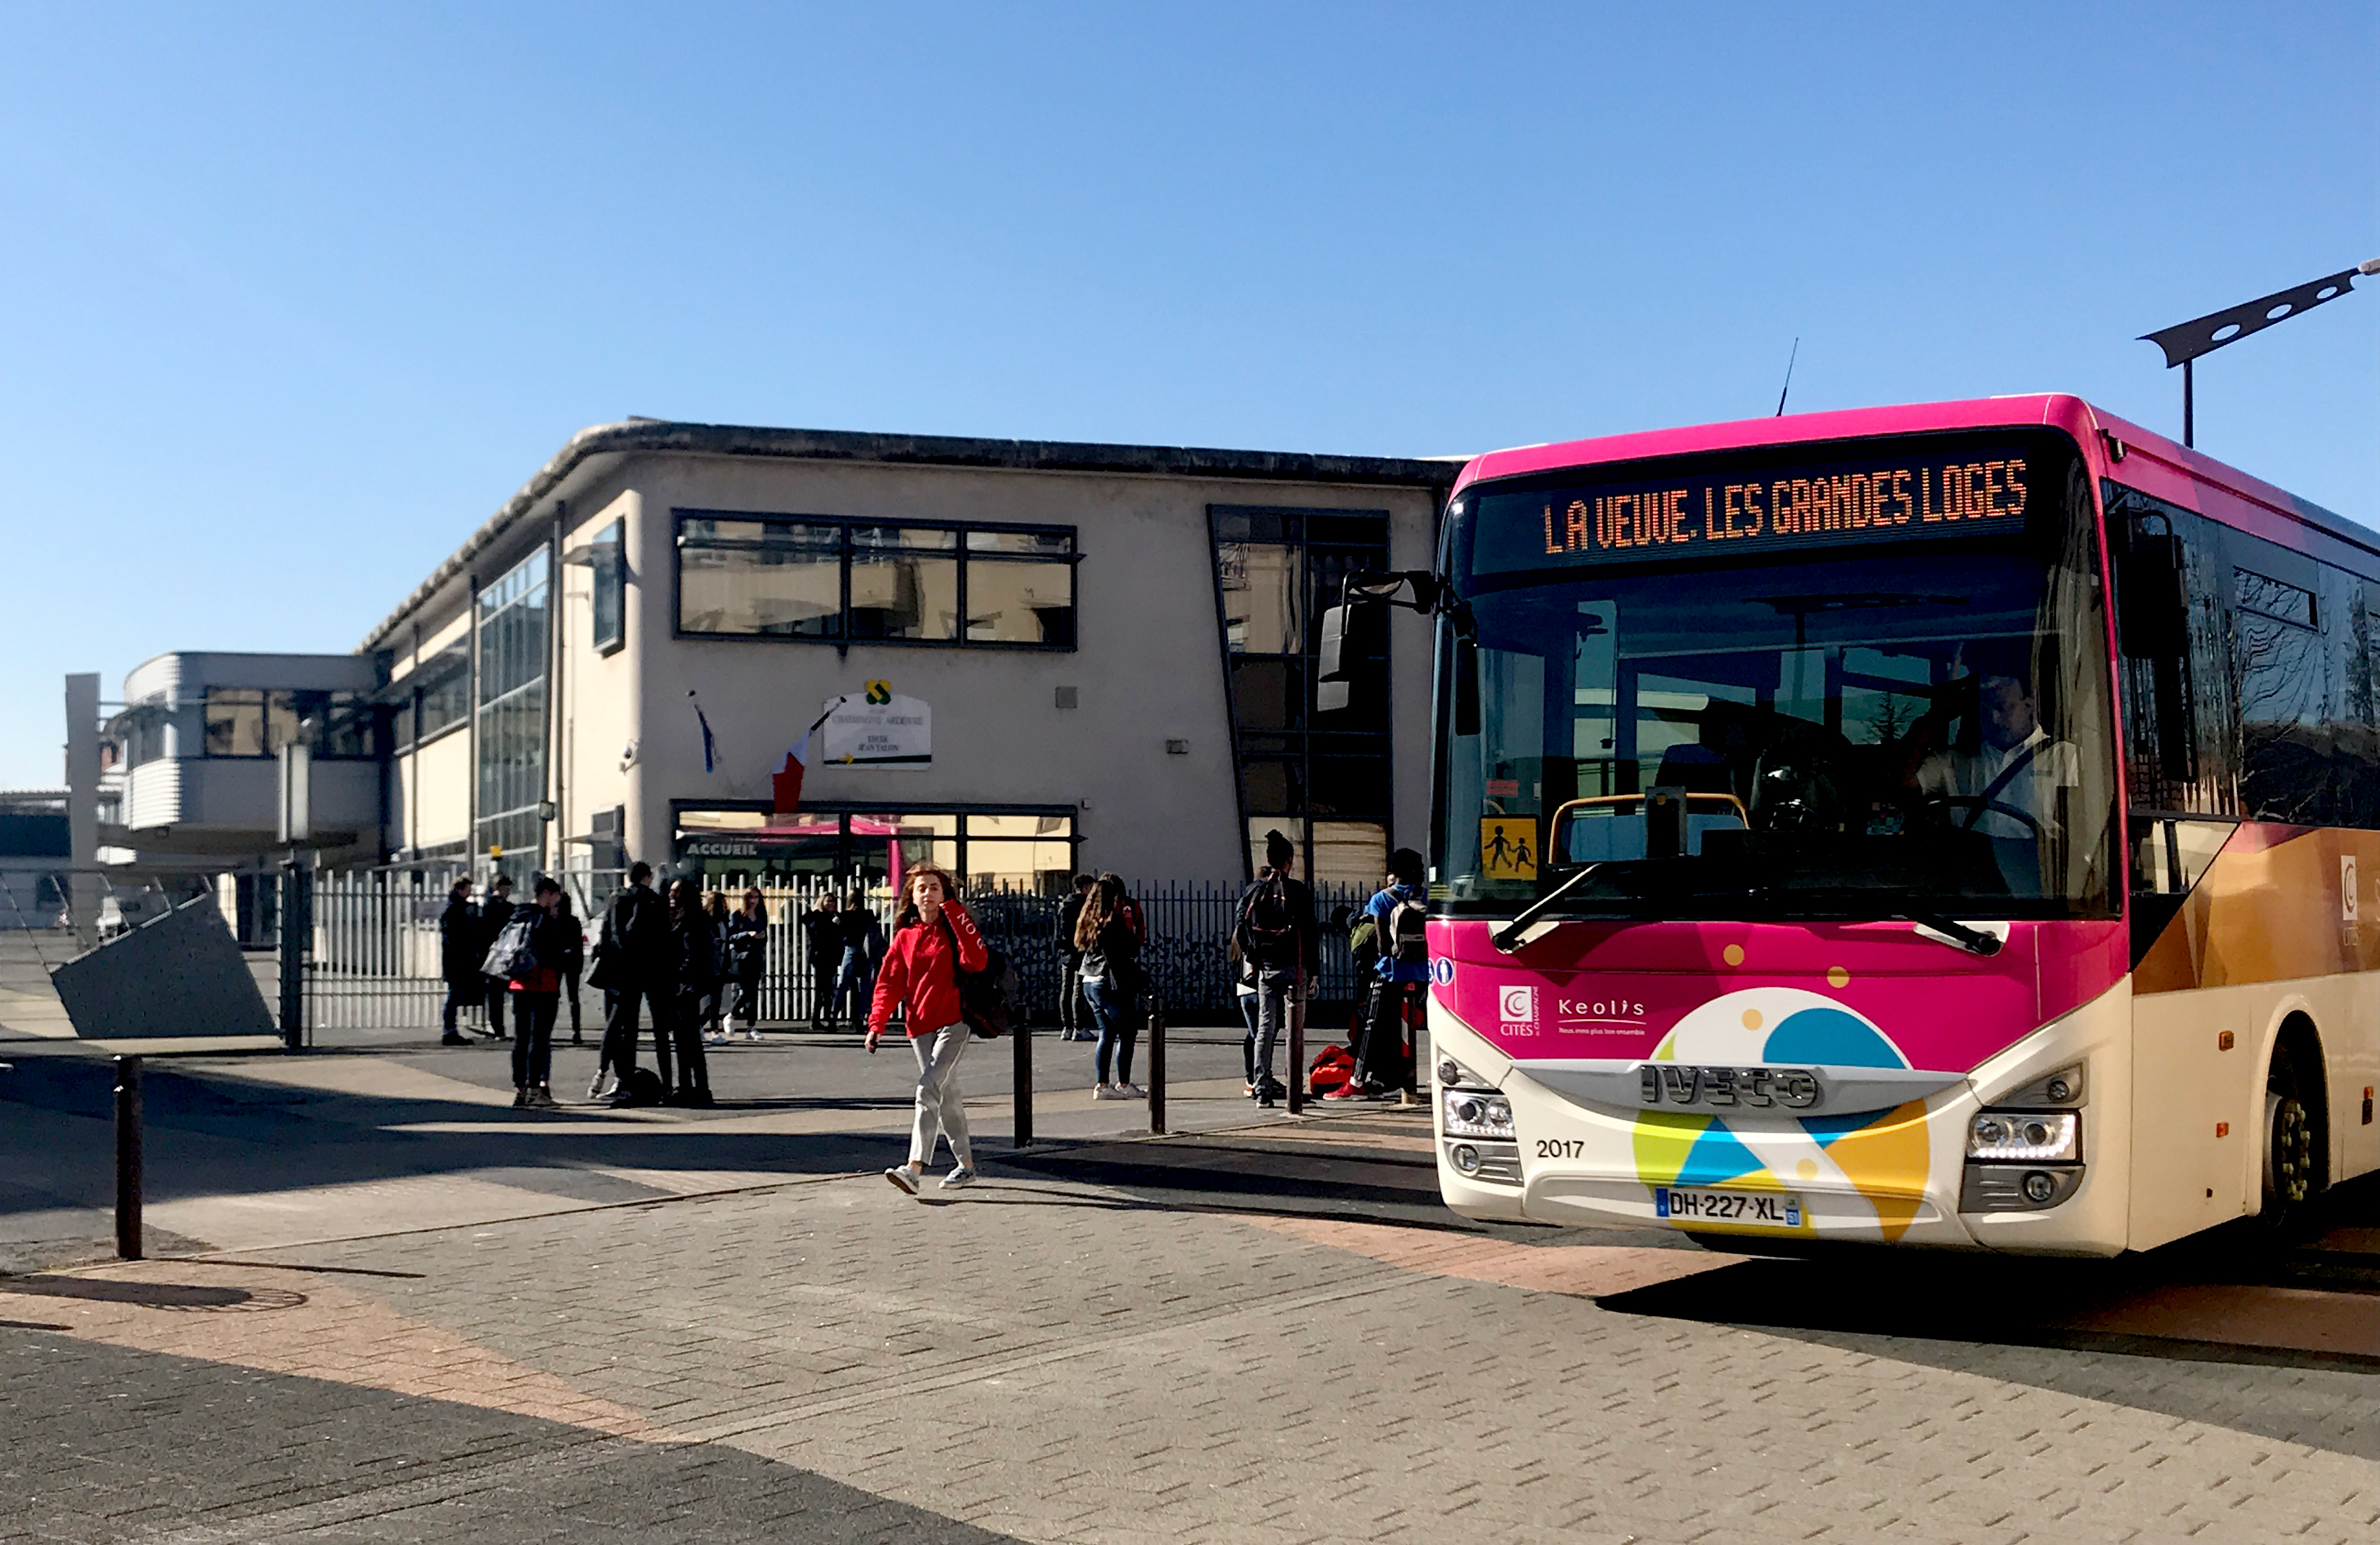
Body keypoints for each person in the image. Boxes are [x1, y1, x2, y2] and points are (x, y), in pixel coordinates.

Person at [867, 863, 987, 1194]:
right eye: (922, 888)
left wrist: (954, 911)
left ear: (944, 893)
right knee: (946, 1094)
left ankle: (914, 1167)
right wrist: (876, 1023)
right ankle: (967, 1166)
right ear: (912, 896)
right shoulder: (905, 936)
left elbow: (976, 961)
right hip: (920, 1025)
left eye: (935, 887)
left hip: (955, 1022)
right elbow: (889, 982)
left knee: (927, 1089)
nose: (928, 894)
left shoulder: (955, 927)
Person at [1914, 671, 2081, 844]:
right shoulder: (1954, 760)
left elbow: (2083, 832)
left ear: (2029, 705)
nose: (1993, 719)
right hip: (1965, 865)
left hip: (2037, 866)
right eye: (1985, 709)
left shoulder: (2066, 758)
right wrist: (1936, 716)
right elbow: (1898, 781)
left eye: (2002, 707)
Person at [1332, 847, 1429, 1102]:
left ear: (1393, 871)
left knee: (1372, 1026)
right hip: (1421, 973)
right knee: (1404, 1029)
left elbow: (1383, 946)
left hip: (1391, 972)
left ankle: (1357, 1081)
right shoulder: (1427, 898)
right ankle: (1396, 1080)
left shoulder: (1382, 899)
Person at [1233, 829, 1316, 1107]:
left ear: (1268, 859)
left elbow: (1241, 928)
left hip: (1266, 969)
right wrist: (1313, 970)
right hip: (1296, 967)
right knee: (1295, 1029)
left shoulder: (1254, 890)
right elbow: (1311, 932)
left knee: (1265, 1028)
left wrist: (1254, 956)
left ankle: (1262, 1088)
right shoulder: (1298, 891)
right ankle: (1294, 1087)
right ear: (1290, 860)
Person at [593, 862, 670, 1103]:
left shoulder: (618, 898)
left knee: (624, 1028)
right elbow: (664, 936)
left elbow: (609, 932)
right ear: (648, 877)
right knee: (660, 1030)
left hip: (623, 969)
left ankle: (619, 1078)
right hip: (652, 969)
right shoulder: (655, 900)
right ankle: (667, 1084)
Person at [504, 876, 575, 1108]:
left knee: (521, 1038)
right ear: (547, 894)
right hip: (543, 984)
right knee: (539, 1039)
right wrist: (564, 954)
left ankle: (520, 1089)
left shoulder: (518, 915)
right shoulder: (543, 919)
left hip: (519, 983)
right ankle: (536, 1090)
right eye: (555, 896)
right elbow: (551, 954)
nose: (557, 900)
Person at [1075, 873, 1145, 1100]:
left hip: (1089, 979)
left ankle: (1102, 1084)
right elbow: (1132, 948)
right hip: (1109, 982)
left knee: (1106, 1032)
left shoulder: (1086, 921)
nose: (1118, 902)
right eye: (1115, 899)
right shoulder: (1112, 922)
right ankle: (1123, 1083)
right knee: (1128, 1031)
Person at [665, 878, 717, 1106]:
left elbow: (692, 954)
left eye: (676, 891)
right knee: (685, 1038)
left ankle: (695, 1087)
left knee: (688, 1039)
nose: (672, 894)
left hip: (687, 985)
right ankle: (691, 1086)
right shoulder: (685, 917)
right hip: (688, 984)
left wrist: (679, 978)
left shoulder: (692, 919)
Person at [832, 892, 886, 1033]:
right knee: (865, 988)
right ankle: (861, 1019)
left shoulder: (844, 915)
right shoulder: (868, 914)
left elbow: (839, 934)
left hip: (851, 950)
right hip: (866, 952)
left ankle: (833, 1017)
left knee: (843, 985)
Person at [436, 878, 480, 1046]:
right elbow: (453, 937)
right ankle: (449, 1031)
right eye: (468, 888)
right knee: (454, 995)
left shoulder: (459, 908)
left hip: (458, 959)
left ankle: (451, 1030)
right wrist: (464, 952)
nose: (470, 892)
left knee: (456, 995)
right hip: (456, 961)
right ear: (460, 889)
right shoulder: (454, 910)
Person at [722, 888, 768, 1042]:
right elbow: (731, 936)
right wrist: (748, 934)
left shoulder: (762, 916)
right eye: (750, 898)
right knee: (747, 990)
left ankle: (751, 1027)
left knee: (753, 992)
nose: (753, 901)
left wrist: (762, 937)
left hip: (756, 956)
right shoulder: (738, 916)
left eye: (756, 897)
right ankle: (732, 1015)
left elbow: (764, 937)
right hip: (742, 958)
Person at [1054, 873, 1096, 1041]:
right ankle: (1080, 1027)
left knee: (1066, 988)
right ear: (1085, 888)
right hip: (1081, 951)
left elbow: (1059, 930)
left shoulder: (1064, 904)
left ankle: (1067, 1027)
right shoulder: (1085, 906)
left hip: (1066, 952)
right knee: (1079, 989)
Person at [478, 873, 517, 1041]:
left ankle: (506, 1027)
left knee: (511, 991)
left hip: (508, 953)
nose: (507, 891)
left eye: (509, 889)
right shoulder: (487, 908)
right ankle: (497, 1028)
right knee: (495, 995)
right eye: (505, 888)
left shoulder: (510, 908)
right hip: (494, 953)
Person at [801, 892, 845, 1028]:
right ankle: (816, 1019)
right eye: (828, 901)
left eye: (833, 901)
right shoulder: (816, 917)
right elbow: (818, 935)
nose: (831, 903)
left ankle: (826, 1018)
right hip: (820, 956)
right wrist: (833, 925)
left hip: (831, 956)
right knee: (822, 989)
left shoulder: (835, 916)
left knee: (827, 989)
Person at [556, 889, 586, 1046]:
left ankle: (548, 1029)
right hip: (573, 961)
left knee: (553, 997)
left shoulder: (554, 921)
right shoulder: (574, 921)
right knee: (574, 998)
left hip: (557, 960)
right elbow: (579, 946)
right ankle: (576, 1031)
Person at [703, 890, 733, 1045]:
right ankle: (710, 1029)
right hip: (709, 963)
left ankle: (711, 1029)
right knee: (706, 996)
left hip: (721, 963)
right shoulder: (706, 919)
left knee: (716, 998)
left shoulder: (725, 919)